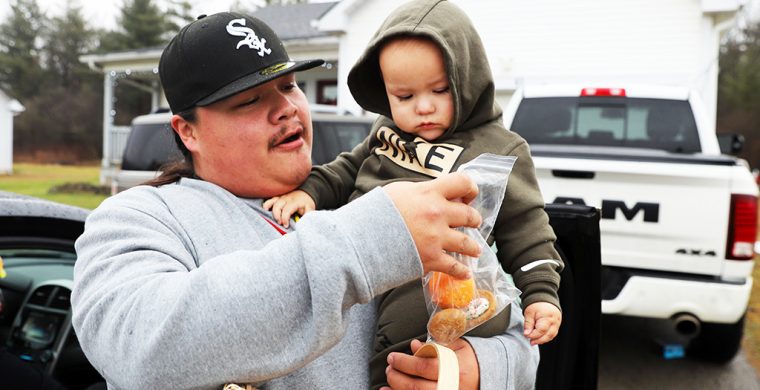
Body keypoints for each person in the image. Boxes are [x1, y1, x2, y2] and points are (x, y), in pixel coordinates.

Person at [71, 11, 539, 390]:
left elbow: (520, 343)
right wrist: (374, 239)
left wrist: (479, 368)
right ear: (187, 131)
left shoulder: (360, 194)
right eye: (249, 100)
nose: (287, 108)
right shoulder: (142, 217)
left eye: (289, 85)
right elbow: (143, 352)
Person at [263, 1, 564, 388]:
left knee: (404, 348)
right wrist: (310, 192)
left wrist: (541, 294)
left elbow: (528, 230)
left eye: (440, 90)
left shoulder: (498, 149)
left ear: (467, 80)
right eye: (404, 97)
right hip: (368, 262)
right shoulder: (387, 133)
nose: (423, 107)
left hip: (446, 281)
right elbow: (344, 169)